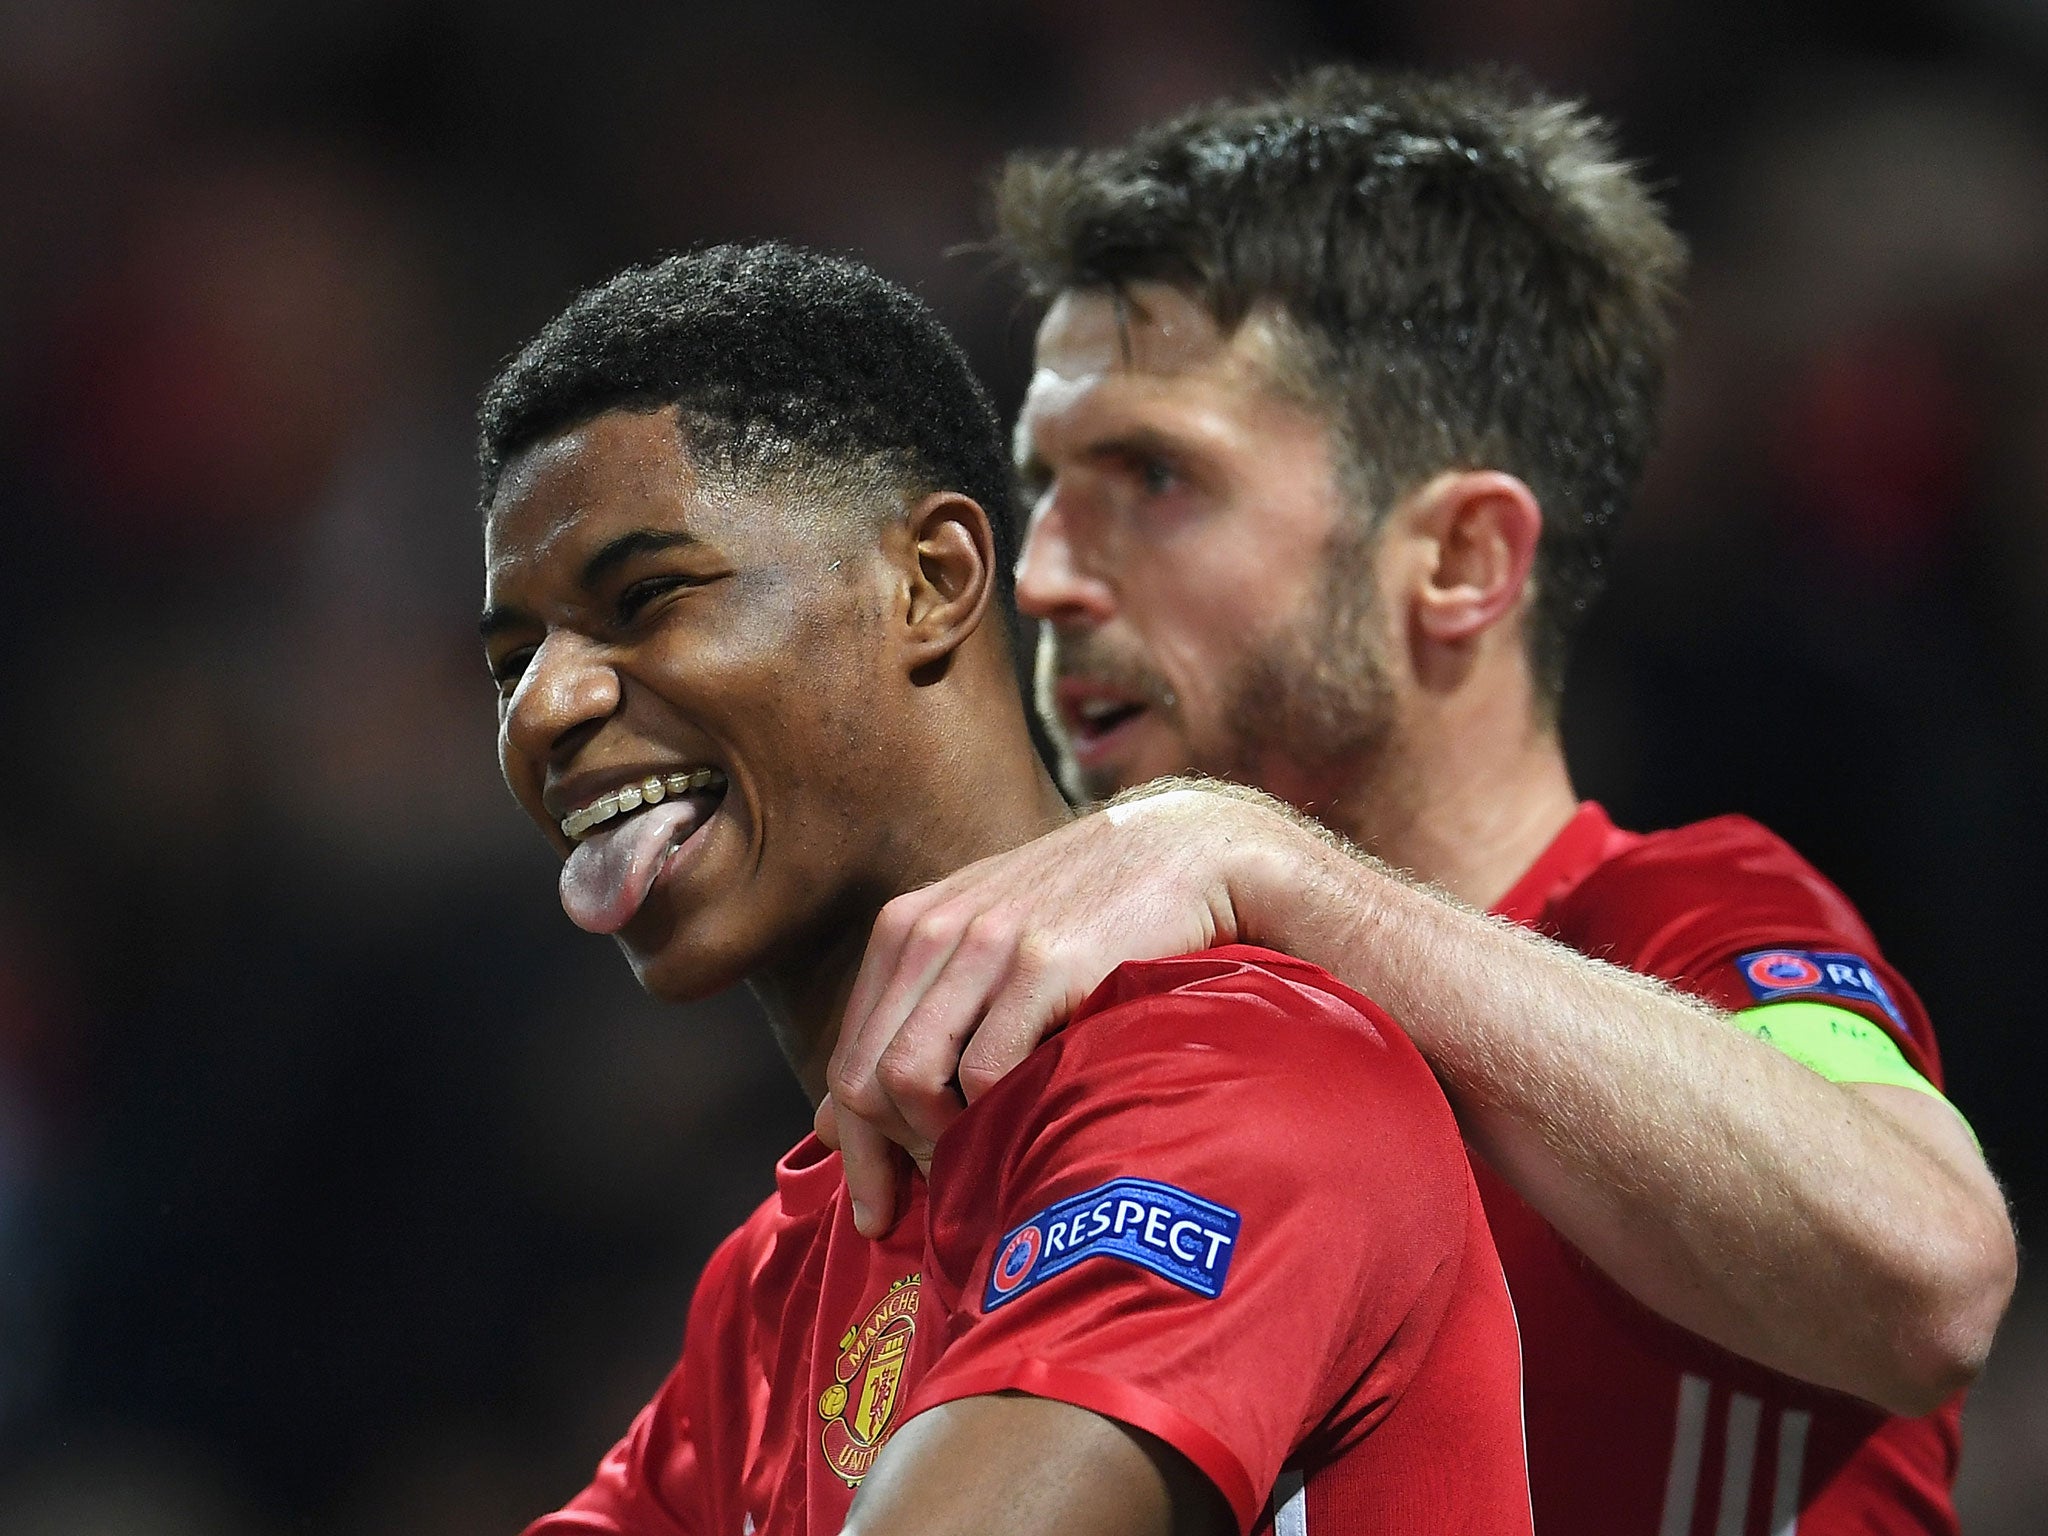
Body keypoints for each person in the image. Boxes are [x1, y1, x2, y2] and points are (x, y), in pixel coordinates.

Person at [820, 67, 2018, 1536]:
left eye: (1155, 476)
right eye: (1047, 487)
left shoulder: (1689, 917)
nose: (1046, 575)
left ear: (1458, 562)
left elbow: (1932, 1278)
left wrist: (1267, 859)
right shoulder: (1108, 1050)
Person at [480, 243, 1533, 1536]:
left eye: (646, 597)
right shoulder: (773, 1288)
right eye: (512, 662)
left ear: (932, 582)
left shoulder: (1231, 1075)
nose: (546, 709)